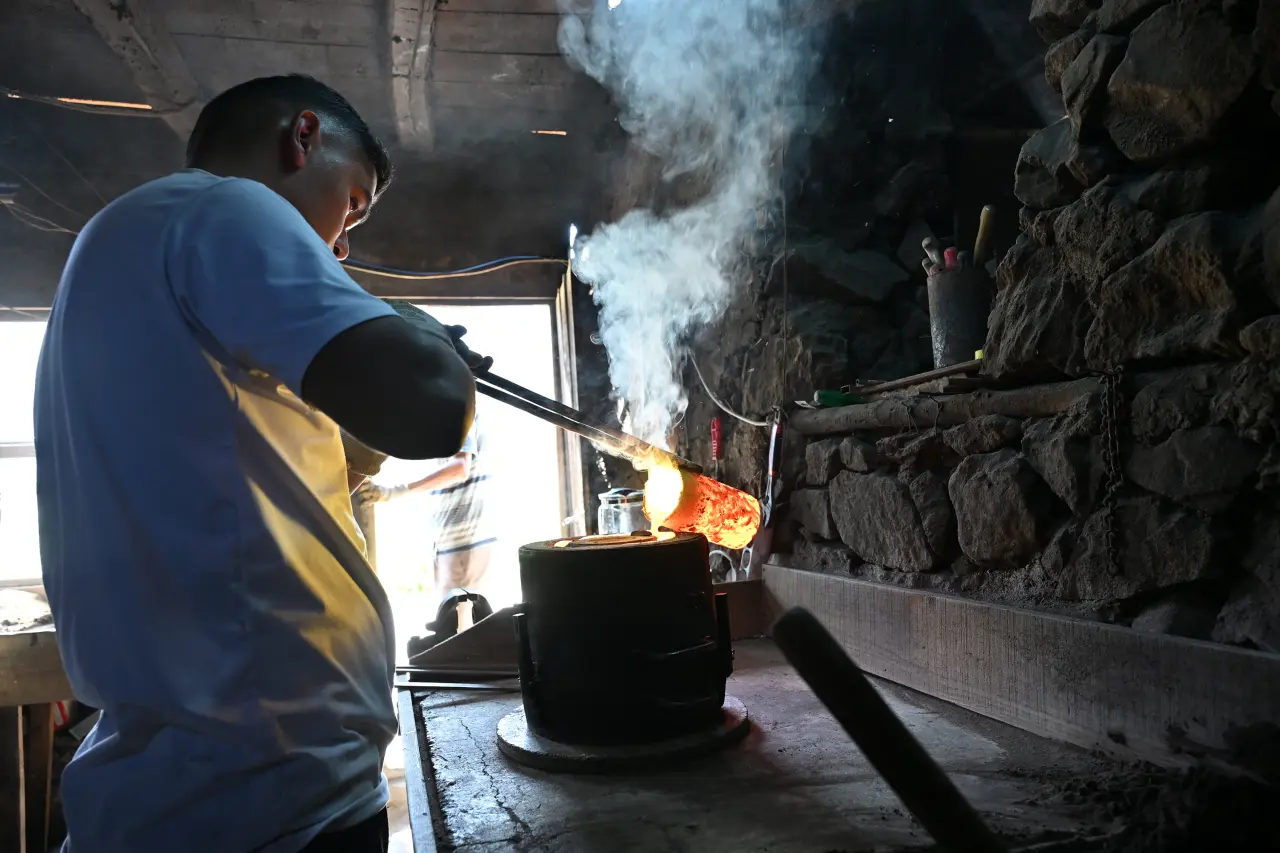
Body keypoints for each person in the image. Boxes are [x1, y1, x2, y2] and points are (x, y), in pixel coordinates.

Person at [35, 75, 487, 853]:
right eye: (354, 203)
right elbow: (432, 406)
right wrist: (415, 330)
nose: (343, 244)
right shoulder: (225, 208)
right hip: (264, 793)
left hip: (186, 790)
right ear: (302, 137)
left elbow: (250, 480)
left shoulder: (119, 246)